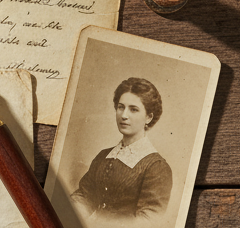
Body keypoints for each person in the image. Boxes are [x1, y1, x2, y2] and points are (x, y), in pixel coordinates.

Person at [71, 77, 172, 220]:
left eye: (133, 109)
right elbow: (85, 195)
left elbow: (149, 221)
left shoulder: (156, 167)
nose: (124, 115)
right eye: (121, 107)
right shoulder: (104, 156)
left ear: (148, 117)